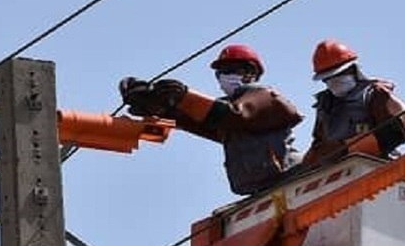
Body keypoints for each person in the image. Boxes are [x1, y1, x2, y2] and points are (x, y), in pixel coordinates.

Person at [119, 44, 304, 196]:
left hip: (292, 175)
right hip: (260, 188)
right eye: (220, 73)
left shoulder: (266, 97)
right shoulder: (228, 111)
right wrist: (159, 106)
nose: (224, 77)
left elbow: (233, 116)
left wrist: (184, 97)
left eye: (230, 70)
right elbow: (198, 121)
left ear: (250, 72)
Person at [301, 39, 405, 168]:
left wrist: (349, 147)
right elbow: (318, 145)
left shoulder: (374, 93)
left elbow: (399, 127)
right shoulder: (325, 105)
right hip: (336, 172)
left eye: (338, 75)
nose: (333, 81)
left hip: (376, 165)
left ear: (353, 69)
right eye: (327, 78)